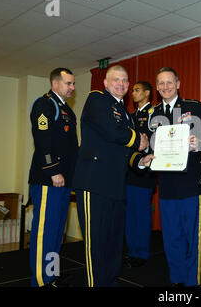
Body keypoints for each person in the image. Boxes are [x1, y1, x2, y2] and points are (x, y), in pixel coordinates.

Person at [72, 65, 152, 287]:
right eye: (116, 79)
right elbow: (111, 130)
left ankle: (110, 281)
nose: (121, 84)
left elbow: (123, 151)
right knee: (96, 242)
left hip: (116, 185)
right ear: (105, 83)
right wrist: (139, 140)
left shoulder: (125, 111)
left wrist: (140, 160)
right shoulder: (97, 99)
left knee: (114, 241)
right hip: (93, 183)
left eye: (125, 80)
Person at [149, 67, 201, 287]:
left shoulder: (192, 106)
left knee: (192, 238)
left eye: (169, 82)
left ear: (178, 84)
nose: (165, 87)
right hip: (166, 185)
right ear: (157, 87)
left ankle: (192, 281)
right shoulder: (153, 113)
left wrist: (199, 144)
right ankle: (176, 280)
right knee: (171, 237)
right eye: (161, 83)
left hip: (190, 184)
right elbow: (149, 146)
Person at [28, 67, 78, 287]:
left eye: (73, 83)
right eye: (69, 83)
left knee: (57, 231)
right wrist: (53, 170)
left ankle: (51, 274)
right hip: (49, 179)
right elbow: (42, 140)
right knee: (45, 232)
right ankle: (41, 280)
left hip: (64, 179)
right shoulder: (44, 104)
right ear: (55, 83)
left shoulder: (66, 109)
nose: (72, 87)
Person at [124, 81, 156, 268]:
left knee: (141, 214)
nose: (133, 93)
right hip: (130, 170)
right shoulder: (130, 116)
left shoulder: (155, 114)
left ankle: (141, 253)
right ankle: (131, 251)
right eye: (133, 90)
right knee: (130, 215)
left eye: (137, 90)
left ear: (147, 93)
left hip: (145, 171)